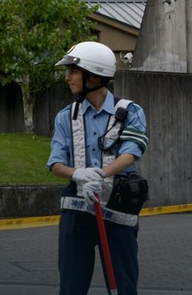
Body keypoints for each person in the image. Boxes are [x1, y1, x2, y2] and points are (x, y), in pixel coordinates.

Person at [48, 41, 149, 295]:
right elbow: (56, 163)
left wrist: (101, 174)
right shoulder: (65, 116)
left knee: (123, 286)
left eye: (73, 71)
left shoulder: (129, 112)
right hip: (78, 212)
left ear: (93, 76)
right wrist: (78, 174)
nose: (67, 77)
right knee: (71, 287)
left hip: (118, 208)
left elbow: (131, 154)